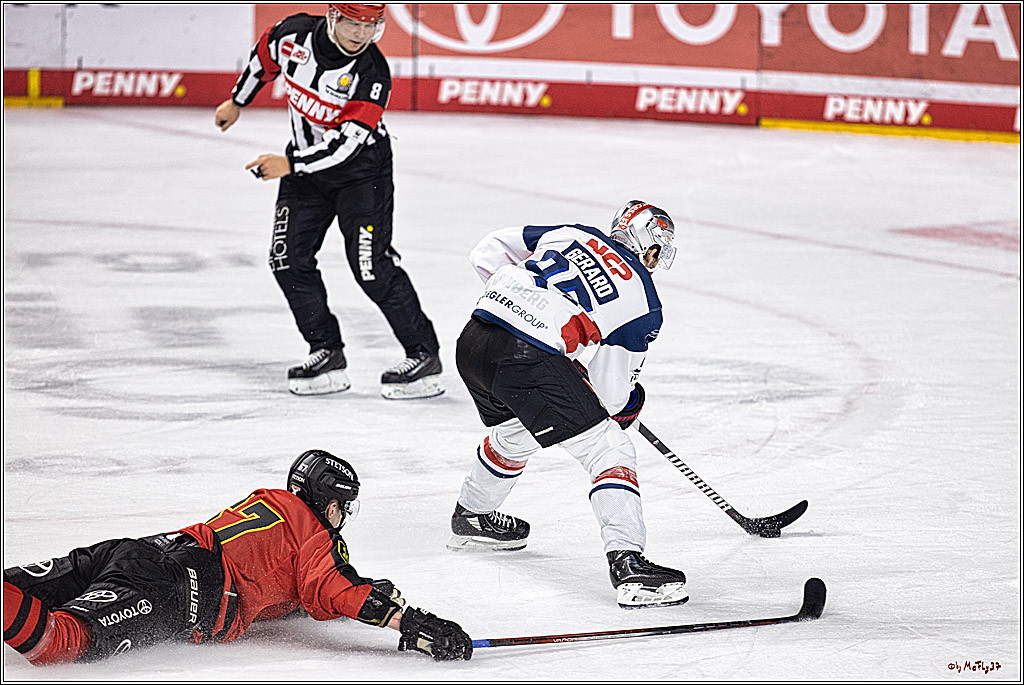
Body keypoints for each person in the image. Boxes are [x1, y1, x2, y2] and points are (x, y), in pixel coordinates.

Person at [4, 450, 473, 665]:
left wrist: (362, 589)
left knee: (16, 584)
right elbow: (334, 588)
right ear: (326, 501)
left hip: (141, 550)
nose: (342, 514)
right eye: (341, 504)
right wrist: (411, 623)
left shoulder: (268, 501)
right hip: (172, 590)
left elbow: (291, 585)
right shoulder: (314, 536)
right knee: (58, 643)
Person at [447, 201, 689, 609]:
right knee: (609, 447)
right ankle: (630, 567)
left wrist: (523, 308)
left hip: (473, 341)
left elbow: (486, 251)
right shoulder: (644, 303)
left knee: (517, 432)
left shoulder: (572, 233)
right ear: (650, 248)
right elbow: (610, 395)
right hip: (527, 360)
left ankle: (472, 516)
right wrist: (628, 403)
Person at [213, 4, 443, 400]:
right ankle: (326, 351)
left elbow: (348, 146)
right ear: (333, 17)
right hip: (304, 172)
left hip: (362, 176)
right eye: (353, 23)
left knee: (371, 269)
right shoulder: (293, 35)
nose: (360, 34)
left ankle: (423, 354)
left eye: (370, 26)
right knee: (287, 259)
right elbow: (264, 58)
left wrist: (289, 164)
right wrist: (238, 101)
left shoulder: (372, 73)